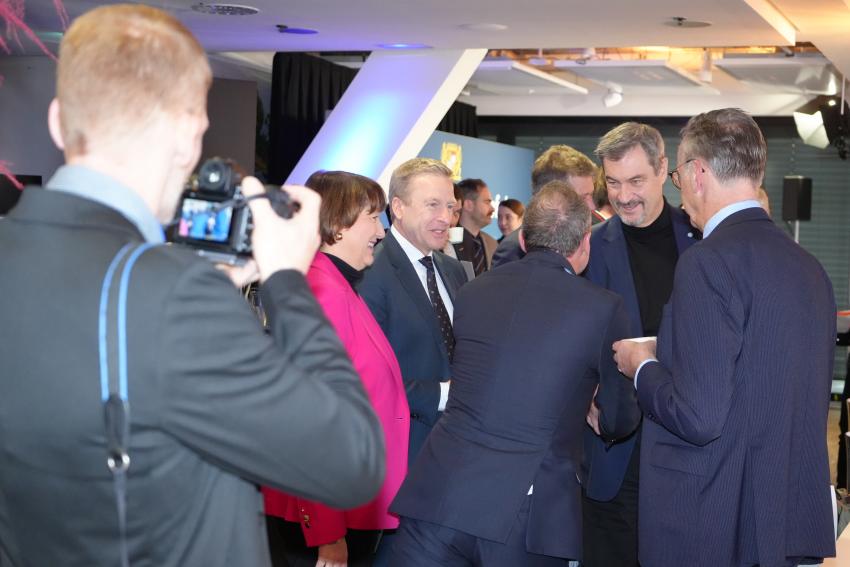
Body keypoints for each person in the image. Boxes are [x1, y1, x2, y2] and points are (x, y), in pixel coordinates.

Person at [0, 6, 385, 566]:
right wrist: (287, 278)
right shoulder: (174, 296)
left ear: (59, 121)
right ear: (189, 134)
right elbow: (351, 462)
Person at [614, 108, 836, 567]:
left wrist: (643, 367)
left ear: (697, 173)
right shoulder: (809, 268)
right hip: (782, 516)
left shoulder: (706, 263)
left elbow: (699, 416)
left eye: (675, 176)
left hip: (711, 519)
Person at [388, 181, 640, 566]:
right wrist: (595, 413)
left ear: (523, 239)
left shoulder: (473, 291)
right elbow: (620, 417)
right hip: (525, 513)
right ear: (584, 243)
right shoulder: (602, 309)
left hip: (440, 494)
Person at [263, 171, 410, 567]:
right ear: (338, 225)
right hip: (328, 516)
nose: (381, 232)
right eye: (372, 217)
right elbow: (311, 419)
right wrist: (327, 533)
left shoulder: (339, 285)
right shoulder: (321, 289)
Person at [581, 122, 699, 567]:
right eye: (613, 182)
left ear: (663, 169)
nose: (624, 195)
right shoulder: (590, 249)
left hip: (690, 447)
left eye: (635, 181)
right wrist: (583, 398)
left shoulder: (703, 240)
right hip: (616, 454)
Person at [358, 157, 467, 566]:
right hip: (401, 470)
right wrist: (445, 395)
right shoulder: (371, 272)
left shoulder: (453, 271)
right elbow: (368, 383)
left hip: (453, 464)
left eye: (451, 206)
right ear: (398, 208)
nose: (445, 218)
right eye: (433, 205)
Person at [491, 145, 596, 268]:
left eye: (591, 195)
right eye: (582, 198)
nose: (592, 206)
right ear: (548, 197)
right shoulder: (513, 251)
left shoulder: (590, 240)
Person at [453, 178, 497, 276]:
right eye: (487, 202)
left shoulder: (492, 244)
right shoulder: (447, 242)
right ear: (469, 205)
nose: (492, 208)